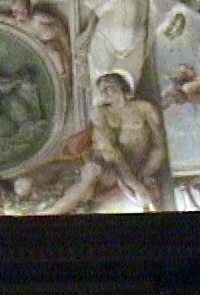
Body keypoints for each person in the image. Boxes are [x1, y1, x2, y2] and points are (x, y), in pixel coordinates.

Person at [42, 73, 167, 214]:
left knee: (89, 188)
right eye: (101, 90)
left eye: (109, 87)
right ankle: (51, 213)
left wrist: (145, 173)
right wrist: (134, 185)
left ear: (122, 87)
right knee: (92, 171)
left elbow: (159, 146)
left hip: (138, 167)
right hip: (109, 167)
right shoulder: (100, 113)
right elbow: (111, 153)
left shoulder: (144, 108)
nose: (105, 92)